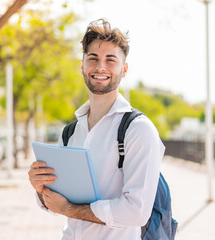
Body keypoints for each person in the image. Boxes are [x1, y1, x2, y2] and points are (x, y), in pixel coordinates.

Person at [28, 19, 165, 240]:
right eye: (93, 58)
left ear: (125, 69)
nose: (100, 67)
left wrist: (70, 209)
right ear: (82, 65)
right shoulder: (70, 132)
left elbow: (137, 211)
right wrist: (40, 187)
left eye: (111, 60)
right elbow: (57, 202)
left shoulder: (138, 130)